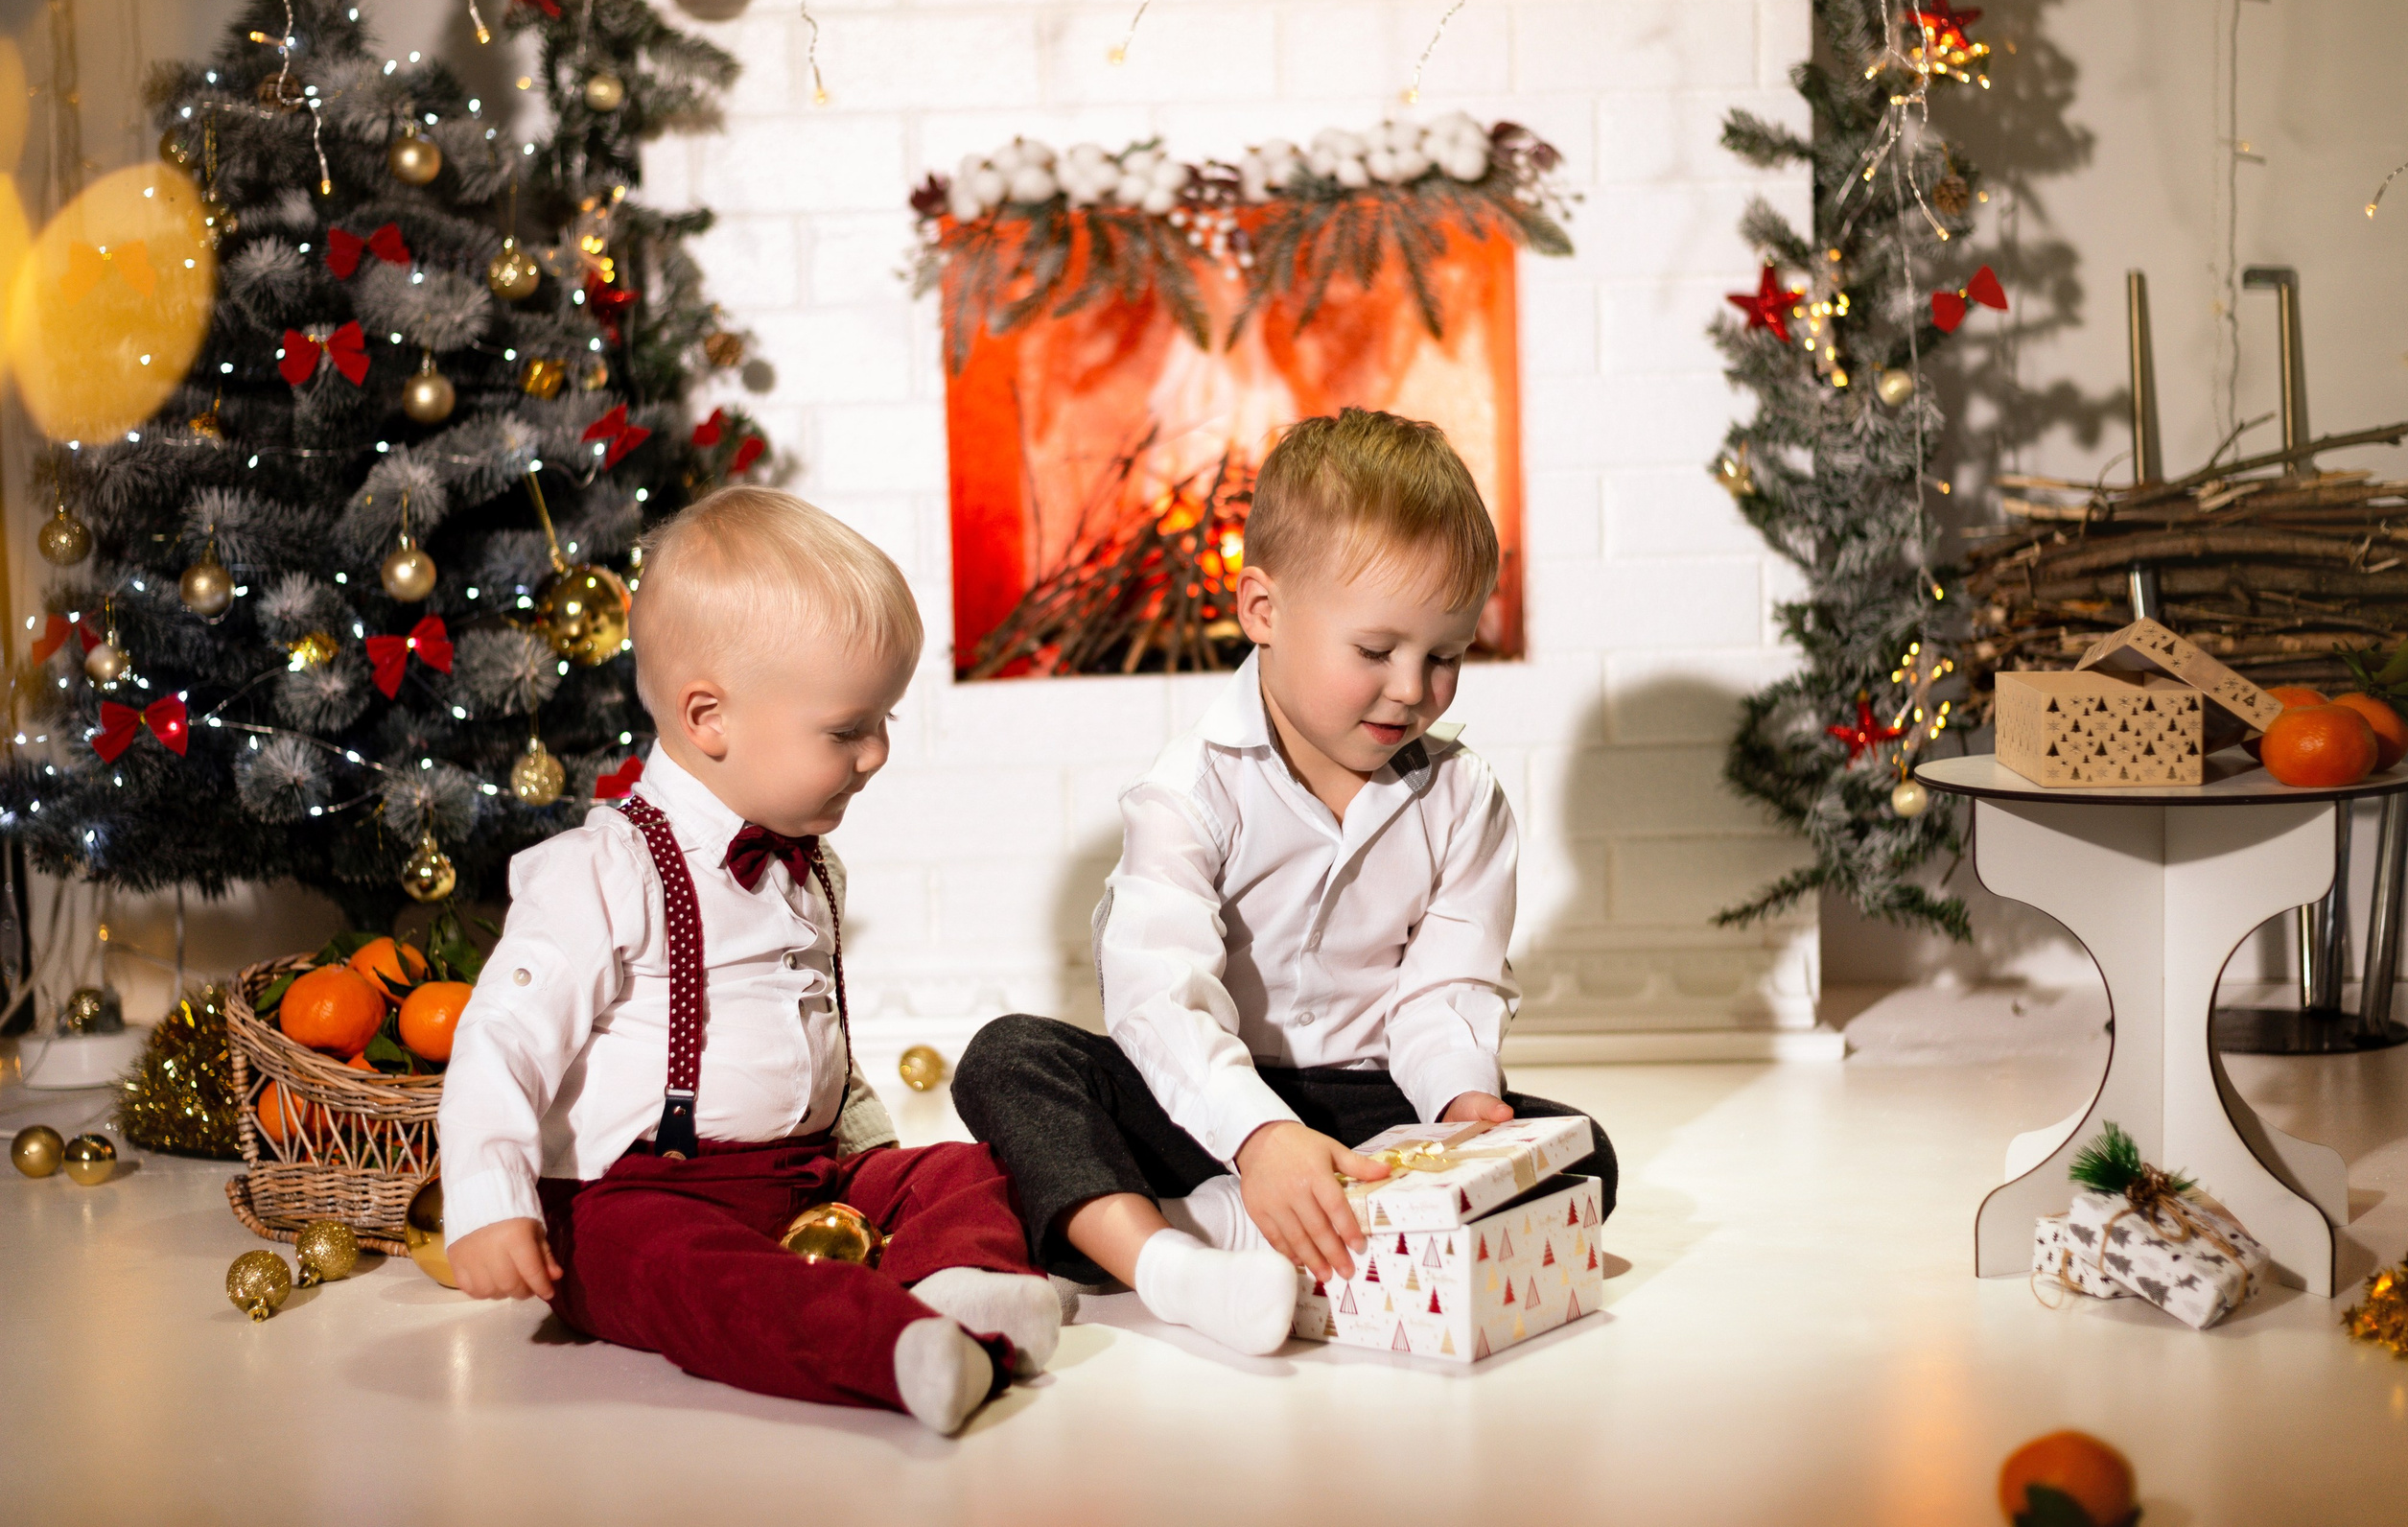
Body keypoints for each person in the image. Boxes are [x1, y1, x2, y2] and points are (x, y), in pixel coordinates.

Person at [954, 409, 1619, 1356]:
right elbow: (1159, 1001)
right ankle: (1172, 1262)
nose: (1411, 688)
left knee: (1585, 1155)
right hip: (1202, 1098)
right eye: (1376, 650)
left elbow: (1444, 992)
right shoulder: (1188, 791)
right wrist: (1257, 1135)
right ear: (1262, 610)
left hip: (1368, 1106)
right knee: (1010, 1058)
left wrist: (1464, 1108)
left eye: (1445, 656)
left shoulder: (1463, 798)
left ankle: (1204, 1224)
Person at [438, 486, 1060, 1434]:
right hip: (637, 1197)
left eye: (883, 721)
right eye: (848, 729)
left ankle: (968, 1293)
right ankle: (890, 1347)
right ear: (709, 718)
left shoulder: (807, 867)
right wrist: (489, 1196)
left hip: (805, 1172)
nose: (878, 753)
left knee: (957, 1167)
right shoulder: (599, 871)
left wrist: (872, 1161)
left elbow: (823, 1040)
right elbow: (501, 1040)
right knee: (686, 1272)